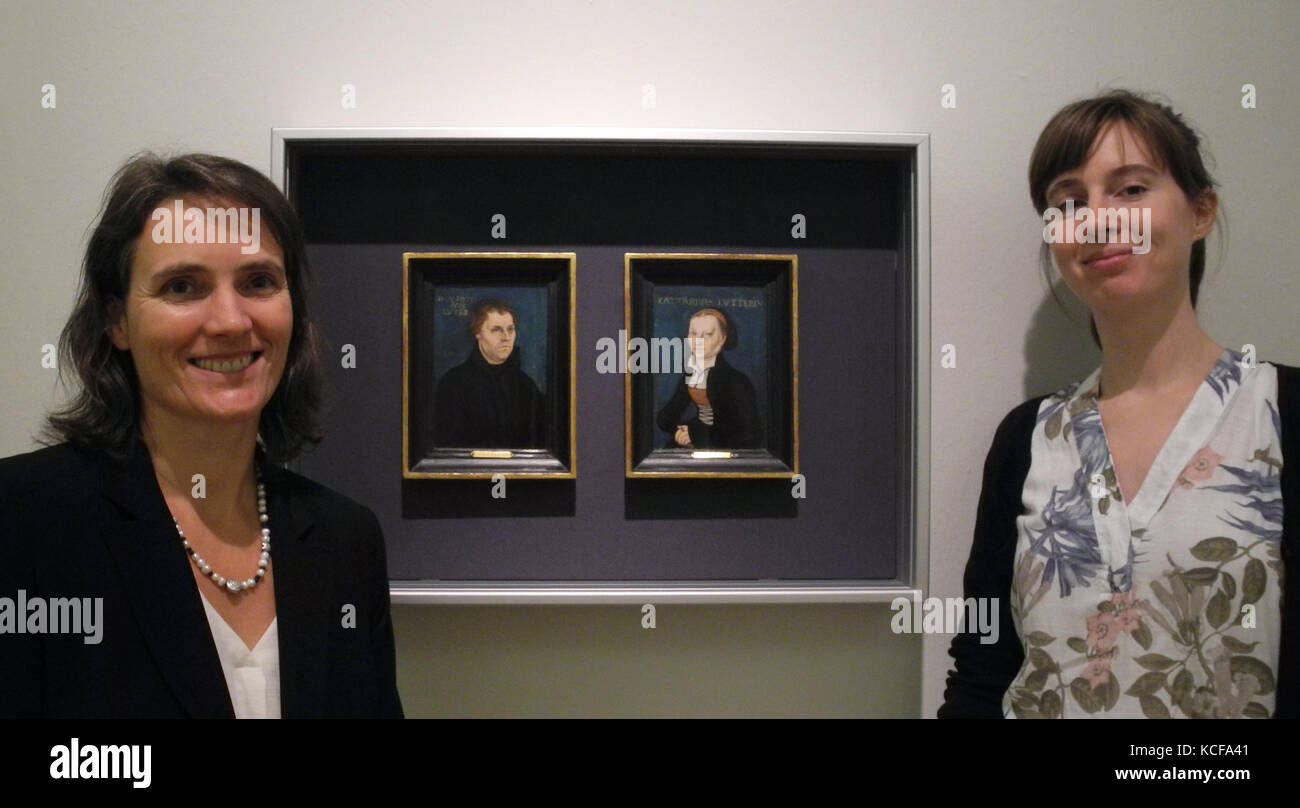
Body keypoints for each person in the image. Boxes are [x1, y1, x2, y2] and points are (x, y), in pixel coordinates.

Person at [0, 153, 403, 718]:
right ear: (117, 320)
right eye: (183, 286)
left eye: (259, 281)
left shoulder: (345, 540)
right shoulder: (23, 521)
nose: (230, 321)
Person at [939, 90, 1300, 718]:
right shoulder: (1028, 438)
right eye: (1069, 202)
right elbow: (982, 659)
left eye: (1131, 190)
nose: (1101, 219)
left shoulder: (1280, 411)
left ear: (1200, 211)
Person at [433, 298, 547, 448]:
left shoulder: (527, 387)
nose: (506, 337)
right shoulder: (452, 384)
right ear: (477, 333)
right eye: (496, 330)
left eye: (510, 329)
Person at [656, 307, 761, 450]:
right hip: (694, 444)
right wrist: (681, 432)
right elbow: (665, 418)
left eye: (707, 334)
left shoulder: (736, 381)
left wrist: (694, 433)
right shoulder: (691, 375)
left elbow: (748, 433)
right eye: (693, 333)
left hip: (726, 451)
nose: (698, 341)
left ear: (722, 339)